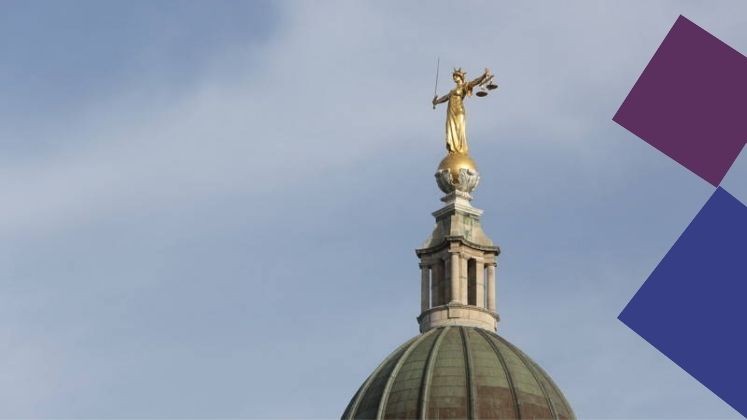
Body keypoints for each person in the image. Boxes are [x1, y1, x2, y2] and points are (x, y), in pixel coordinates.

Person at [432, 67, 492, 154]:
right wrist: (436, 102)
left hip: (459, 110)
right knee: (451, 128)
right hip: (451, 111)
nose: (454, 78)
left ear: (460, 77)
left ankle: (461, 149)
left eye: (456, 76)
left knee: (460, 129)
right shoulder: (452, 91)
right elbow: (445, 97)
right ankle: (453, 148)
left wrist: (483, 76)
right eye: (454, 77)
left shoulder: (465, 86)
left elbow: (475, 82)